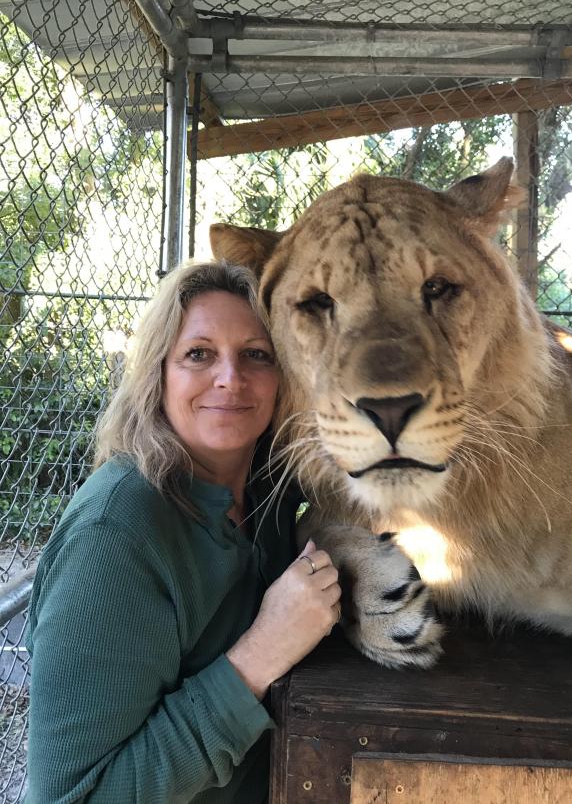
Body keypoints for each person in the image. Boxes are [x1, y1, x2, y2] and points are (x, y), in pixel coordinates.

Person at [25, 260, 341, 803]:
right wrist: (260, 655)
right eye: (199, 354)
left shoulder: (269, 484)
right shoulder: (117, 533)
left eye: (256, 355)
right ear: (159, 372)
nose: (230, 378)